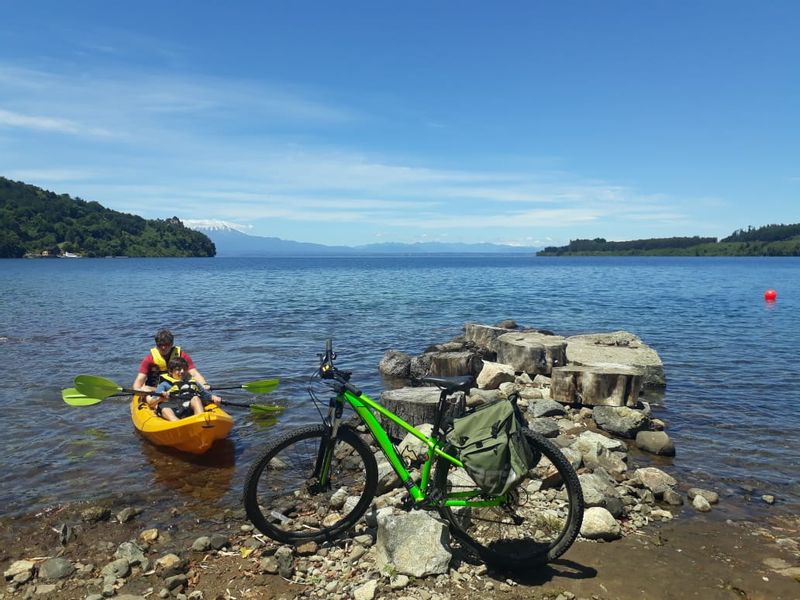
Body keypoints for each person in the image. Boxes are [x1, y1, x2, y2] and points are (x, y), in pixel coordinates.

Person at [132, 329, 210, 392]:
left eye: (166, 344)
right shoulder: (149, 359)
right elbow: (139, 380)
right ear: (156, 344)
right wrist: (139, 390)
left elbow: (194, 373)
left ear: (172, 343)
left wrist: (204, 384)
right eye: (160, 345)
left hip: (177, 387)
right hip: (156, 390)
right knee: (146, 388)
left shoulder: (182, 355)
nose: (163, 347)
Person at [146, 357, 222, 421]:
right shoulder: (164, 385)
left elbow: (206, 395)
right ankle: (177, 424)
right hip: (172, 408)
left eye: (184, 369)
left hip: (188, 407)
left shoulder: (193, 382)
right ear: (170, 371)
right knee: (165, 408)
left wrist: (214, 397)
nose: (182, 371)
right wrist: (160, 398)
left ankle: (200, 421)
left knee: (196, 398)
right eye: (178, 369)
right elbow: (152, 404)